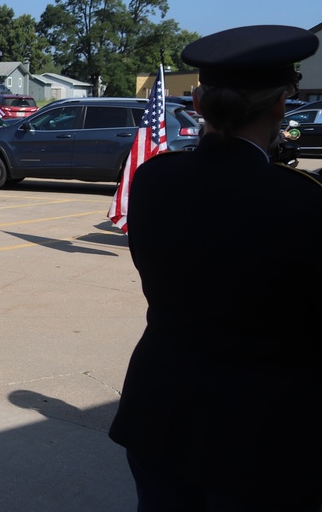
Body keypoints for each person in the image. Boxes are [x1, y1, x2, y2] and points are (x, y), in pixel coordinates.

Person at [108, 25, 322, 511]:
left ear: (198, 104)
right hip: (262, 428)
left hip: (159, 406)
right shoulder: (301, 200)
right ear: (278, 107)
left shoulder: (153, 179)